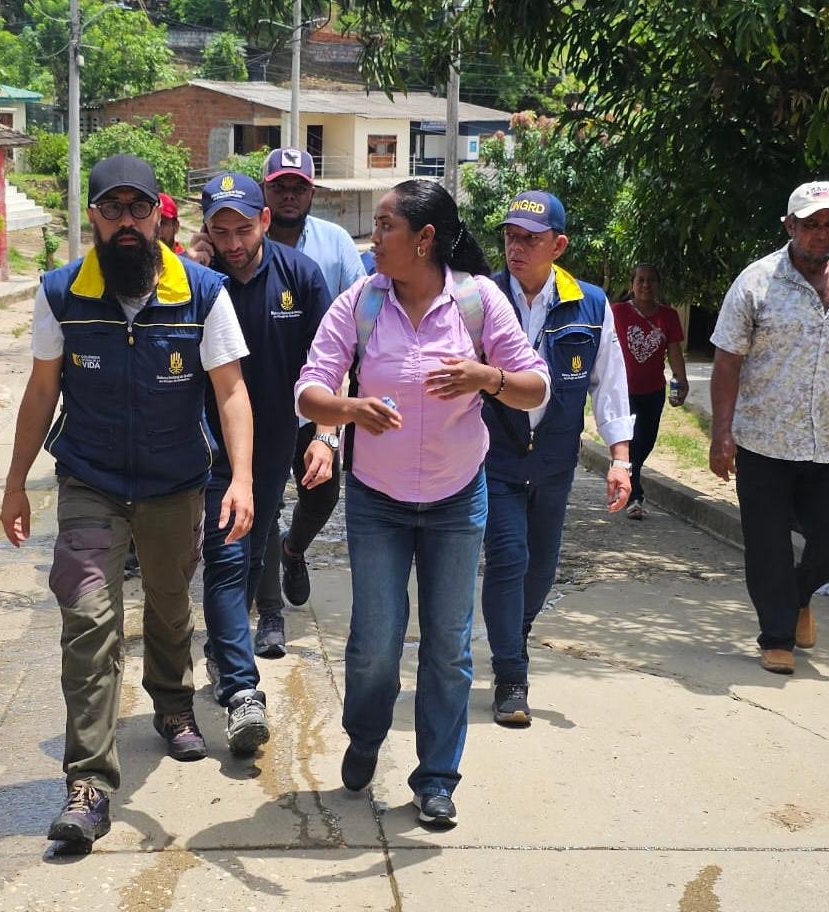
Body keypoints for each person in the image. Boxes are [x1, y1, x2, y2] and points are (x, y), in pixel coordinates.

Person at [0, 155, 256, 855]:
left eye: (136, 210)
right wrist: (16, 480)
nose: (124, 223)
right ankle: (87, 784)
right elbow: (40, 391)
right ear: (93, 216)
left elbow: (230, 390)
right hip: (91, 479)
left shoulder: (202, 292)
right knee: (87, 619)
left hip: (176, 482)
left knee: (171, 601)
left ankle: (173, 704)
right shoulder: (61, 293)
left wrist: (241, 479)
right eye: (110, 210)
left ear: (156, 216)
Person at [296, 180, 548, 829]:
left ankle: (436, 777)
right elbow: (309, 390)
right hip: (376, 501)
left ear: (424, 238)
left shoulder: (477, 302)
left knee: (447, 646)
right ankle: (365, 732)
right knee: (376, 642)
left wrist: (484, 377)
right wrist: (348, 409)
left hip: (457, 497)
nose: (373, 238)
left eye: (384, 226)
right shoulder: (361, 302)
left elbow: (533, 387)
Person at [708, 181, 829, 675]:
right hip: (763, 439)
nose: (821, 234)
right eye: (810, 225)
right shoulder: (756, 282)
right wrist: (721, 433)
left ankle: (800, 596)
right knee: (766, 545)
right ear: (790, 227)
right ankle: (777, 636)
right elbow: (726, 361)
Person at [481, 191, 634, 727]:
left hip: (554, 459)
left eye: (531, 238)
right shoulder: (480, 298)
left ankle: (513, 633)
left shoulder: (590, 305)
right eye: (510, 236)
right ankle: (511, 674)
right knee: (509, 558)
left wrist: (620, 458)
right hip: (493, 455)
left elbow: (609, 384)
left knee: (542, 566)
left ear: (559, 245)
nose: (516, 248)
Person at [195, 172, 333, 753]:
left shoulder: (299, 276)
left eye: (242, 229)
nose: (232, 242)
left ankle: (226, 643)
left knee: (252, 554)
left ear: (265, 222)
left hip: (277, 440)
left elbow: (332, 357)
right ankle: (240, 688)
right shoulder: (196, 283)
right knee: (226, 554)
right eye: (220, 231)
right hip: (210, 447)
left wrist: (326, 433)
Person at [251, 148, 366, 655]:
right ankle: (270, 615)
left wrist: (328, 427)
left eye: (299, 187)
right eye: (280, 186)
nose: (290, 195)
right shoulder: (242, 242)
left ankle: (293, 549)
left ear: (312, 192)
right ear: (265, 192)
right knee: (264, 503)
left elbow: (353, 331)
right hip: (258, 401)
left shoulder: (336, 244)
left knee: (321, 494)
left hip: (319, 397)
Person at [611, 264, 688, 519]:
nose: (645, 285)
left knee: (647, 442)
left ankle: (625, 477)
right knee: (634, 442)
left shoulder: (668, 316)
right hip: (623, 391)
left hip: (653, 391)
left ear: (658, 285)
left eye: (651, 280)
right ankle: (635, 496)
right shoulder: (617, 312)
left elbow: (674, 350)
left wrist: (681, 379)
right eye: (640, 280)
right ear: (632, 284)